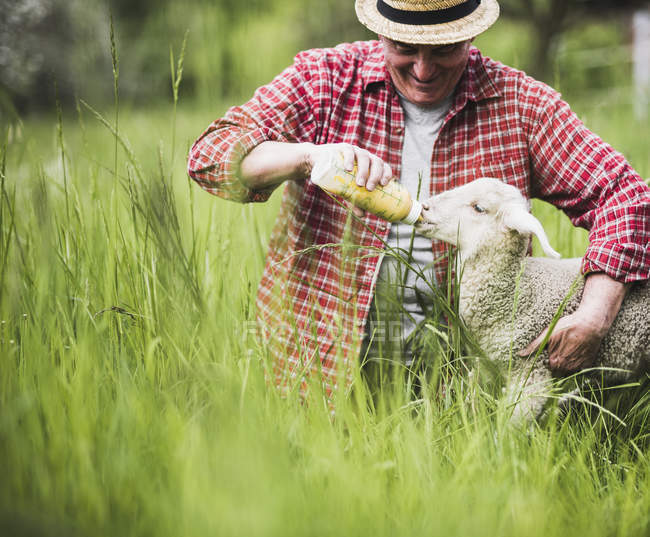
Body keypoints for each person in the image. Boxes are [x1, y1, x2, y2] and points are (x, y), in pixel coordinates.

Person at [187, 0, 650, 399]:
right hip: (316, 375)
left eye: (444, 49)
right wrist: (310, 156)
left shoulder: (521, 106)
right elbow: (210, 156)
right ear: (382, 31)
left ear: (470, 35)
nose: (424, 70)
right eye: (405, 48)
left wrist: (595, 315)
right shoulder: (325, 80)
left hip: (462, 391)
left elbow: (625, 196)